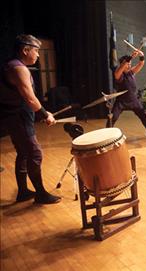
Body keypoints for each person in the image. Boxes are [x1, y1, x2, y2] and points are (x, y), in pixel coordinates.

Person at [0, 34, 61, 204]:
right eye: (36, 50)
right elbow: (29, 97)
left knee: (23, 153)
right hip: (19, 118)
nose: (38, 55)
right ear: (25, 50)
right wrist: (45, 114)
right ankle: (40, 194)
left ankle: (22, 191)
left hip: (16, 118)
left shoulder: (11, 65)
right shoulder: (18, 68)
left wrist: (40, 112)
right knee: (34, 153)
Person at [107, 49, 146, 136]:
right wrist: (131, 57)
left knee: (143, 115)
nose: (129, 66)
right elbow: (121, 68)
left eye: (130, 64)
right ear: (122, 64)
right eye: (128, 64)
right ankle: (107, 133)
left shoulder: (131, 73)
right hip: (121, 101)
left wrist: (141, 55)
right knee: (113, 118)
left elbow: (140, 64)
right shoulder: (118, 74)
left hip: (133, 100)